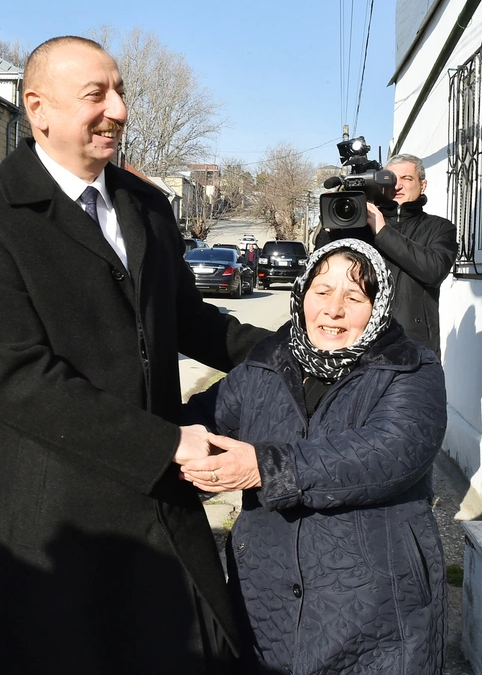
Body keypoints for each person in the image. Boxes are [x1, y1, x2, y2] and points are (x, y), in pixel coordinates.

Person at [0, 35, 268, 674]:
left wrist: (304, 349)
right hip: (55, 520)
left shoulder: (144, 204)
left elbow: (191, 323)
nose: (118, 109)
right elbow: (18, 379)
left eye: (120, 92)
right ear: (37, 108)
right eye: (97, 94)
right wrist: (167, 444)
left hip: (158, 506)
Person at [182, 238, 449, 674]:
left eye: (354, 296)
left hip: (374, 608)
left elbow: (390, 450)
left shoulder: (410, 367)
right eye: (322, 291)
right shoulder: (265, 364)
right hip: (264, 603)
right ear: (302, 294)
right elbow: (203, 421)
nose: (334, 309)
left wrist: (264, 468)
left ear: (378, 307)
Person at [316, 153, 457, 355]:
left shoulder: (439, 228)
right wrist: (332, 223)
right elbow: (323, 266)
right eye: (390, 179)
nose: (397, 186)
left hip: (412, 346)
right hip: (359, 339)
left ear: (422, 185)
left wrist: (382, 231)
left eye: (407, 179)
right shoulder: (360, 224)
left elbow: (433, 270)